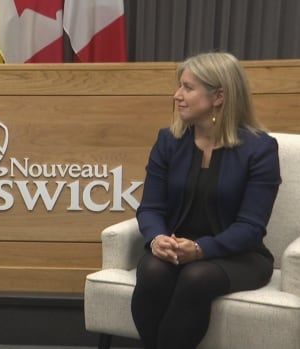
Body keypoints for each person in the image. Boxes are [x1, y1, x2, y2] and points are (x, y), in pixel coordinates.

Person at [131, 52, 281, 349]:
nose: (177, 96)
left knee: (196, 277)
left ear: (219, 96)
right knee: (152, 271)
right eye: (179, 87)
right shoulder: (168, 141)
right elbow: (151, 207)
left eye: (188, 88)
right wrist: (158, 237)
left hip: (238, 255)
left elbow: (251, 226)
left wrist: (201, 250)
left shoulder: (260, 149)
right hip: (176, 247)